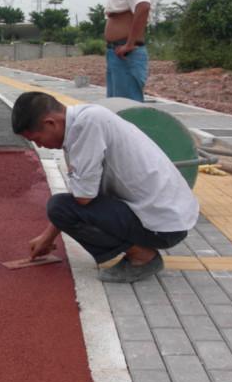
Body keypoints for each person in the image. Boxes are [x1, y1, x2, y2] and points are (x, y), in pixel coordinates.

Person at [11, 91, 198, 283]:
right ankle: (139, 250)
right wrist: (47, 237)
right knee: (65, 205)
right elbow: (83, 191)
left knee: (59, 207)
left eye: (37, 139)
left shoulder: (86, 126)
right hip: (167, 215)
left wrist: (49, 235)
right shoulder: (85, 118)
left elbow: (82, 198)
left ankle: (143, 257)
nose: (40, 146)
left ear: (51, 123)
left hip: (164, 223)